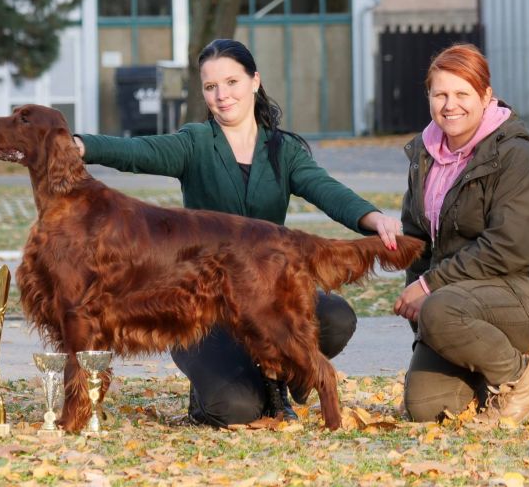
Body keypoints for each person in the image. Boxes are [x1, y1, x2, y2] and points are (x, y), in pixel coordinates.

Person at [73, 38, 402, 427]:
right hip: (202, 304)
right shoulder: (195, 143)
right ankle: (220, 391)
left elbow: (326, 190)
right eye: (211, 87)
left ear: (255, 81)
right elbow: (139, 151)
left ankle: (279, 379)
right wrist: (82, 145)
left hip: (264, 290)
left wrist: (373, 218)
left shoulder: (284, 150)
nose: (222, 95)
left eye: (231, 82)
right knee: (235, 410)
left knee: (335, 318)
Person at [393, 44, 529, 424]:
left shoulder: (516, 156)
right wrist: (426, 329)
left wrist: (428, 290)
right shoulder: (425, 156)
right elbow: (418, 245)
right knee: (428, 409)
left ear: (486, 96)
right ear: (428, 96)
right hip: (462, 298)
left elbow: (509, 247)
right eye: (440, 94)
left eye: (463, 94)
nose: (449, 105)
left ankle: (521, 383)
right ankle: (483, 364)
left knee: (441, 308)